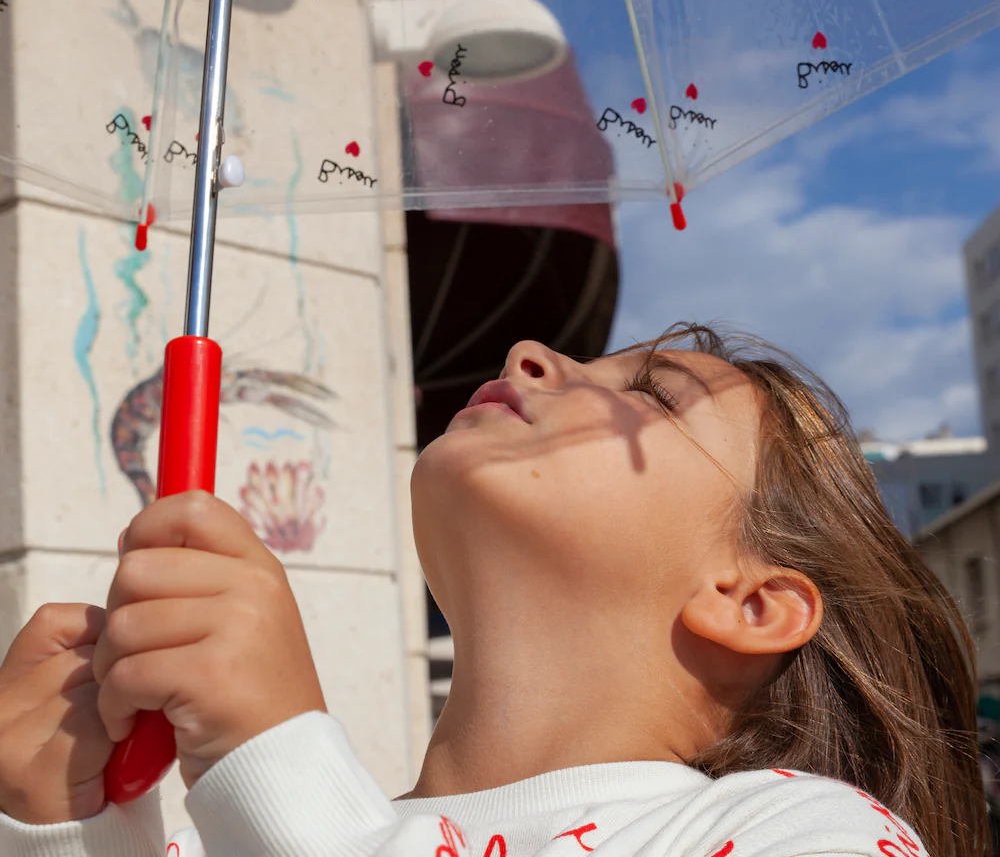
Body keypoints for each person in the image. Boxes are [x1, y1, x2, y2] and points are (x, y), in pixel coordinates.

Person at [0, 324, 988, 857]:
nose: (530, 351)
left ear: (752, 601)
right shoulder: (213, 837)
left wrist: (276, 763)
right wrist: (61, 829)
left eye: (653, 394)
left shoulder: (804, 835)